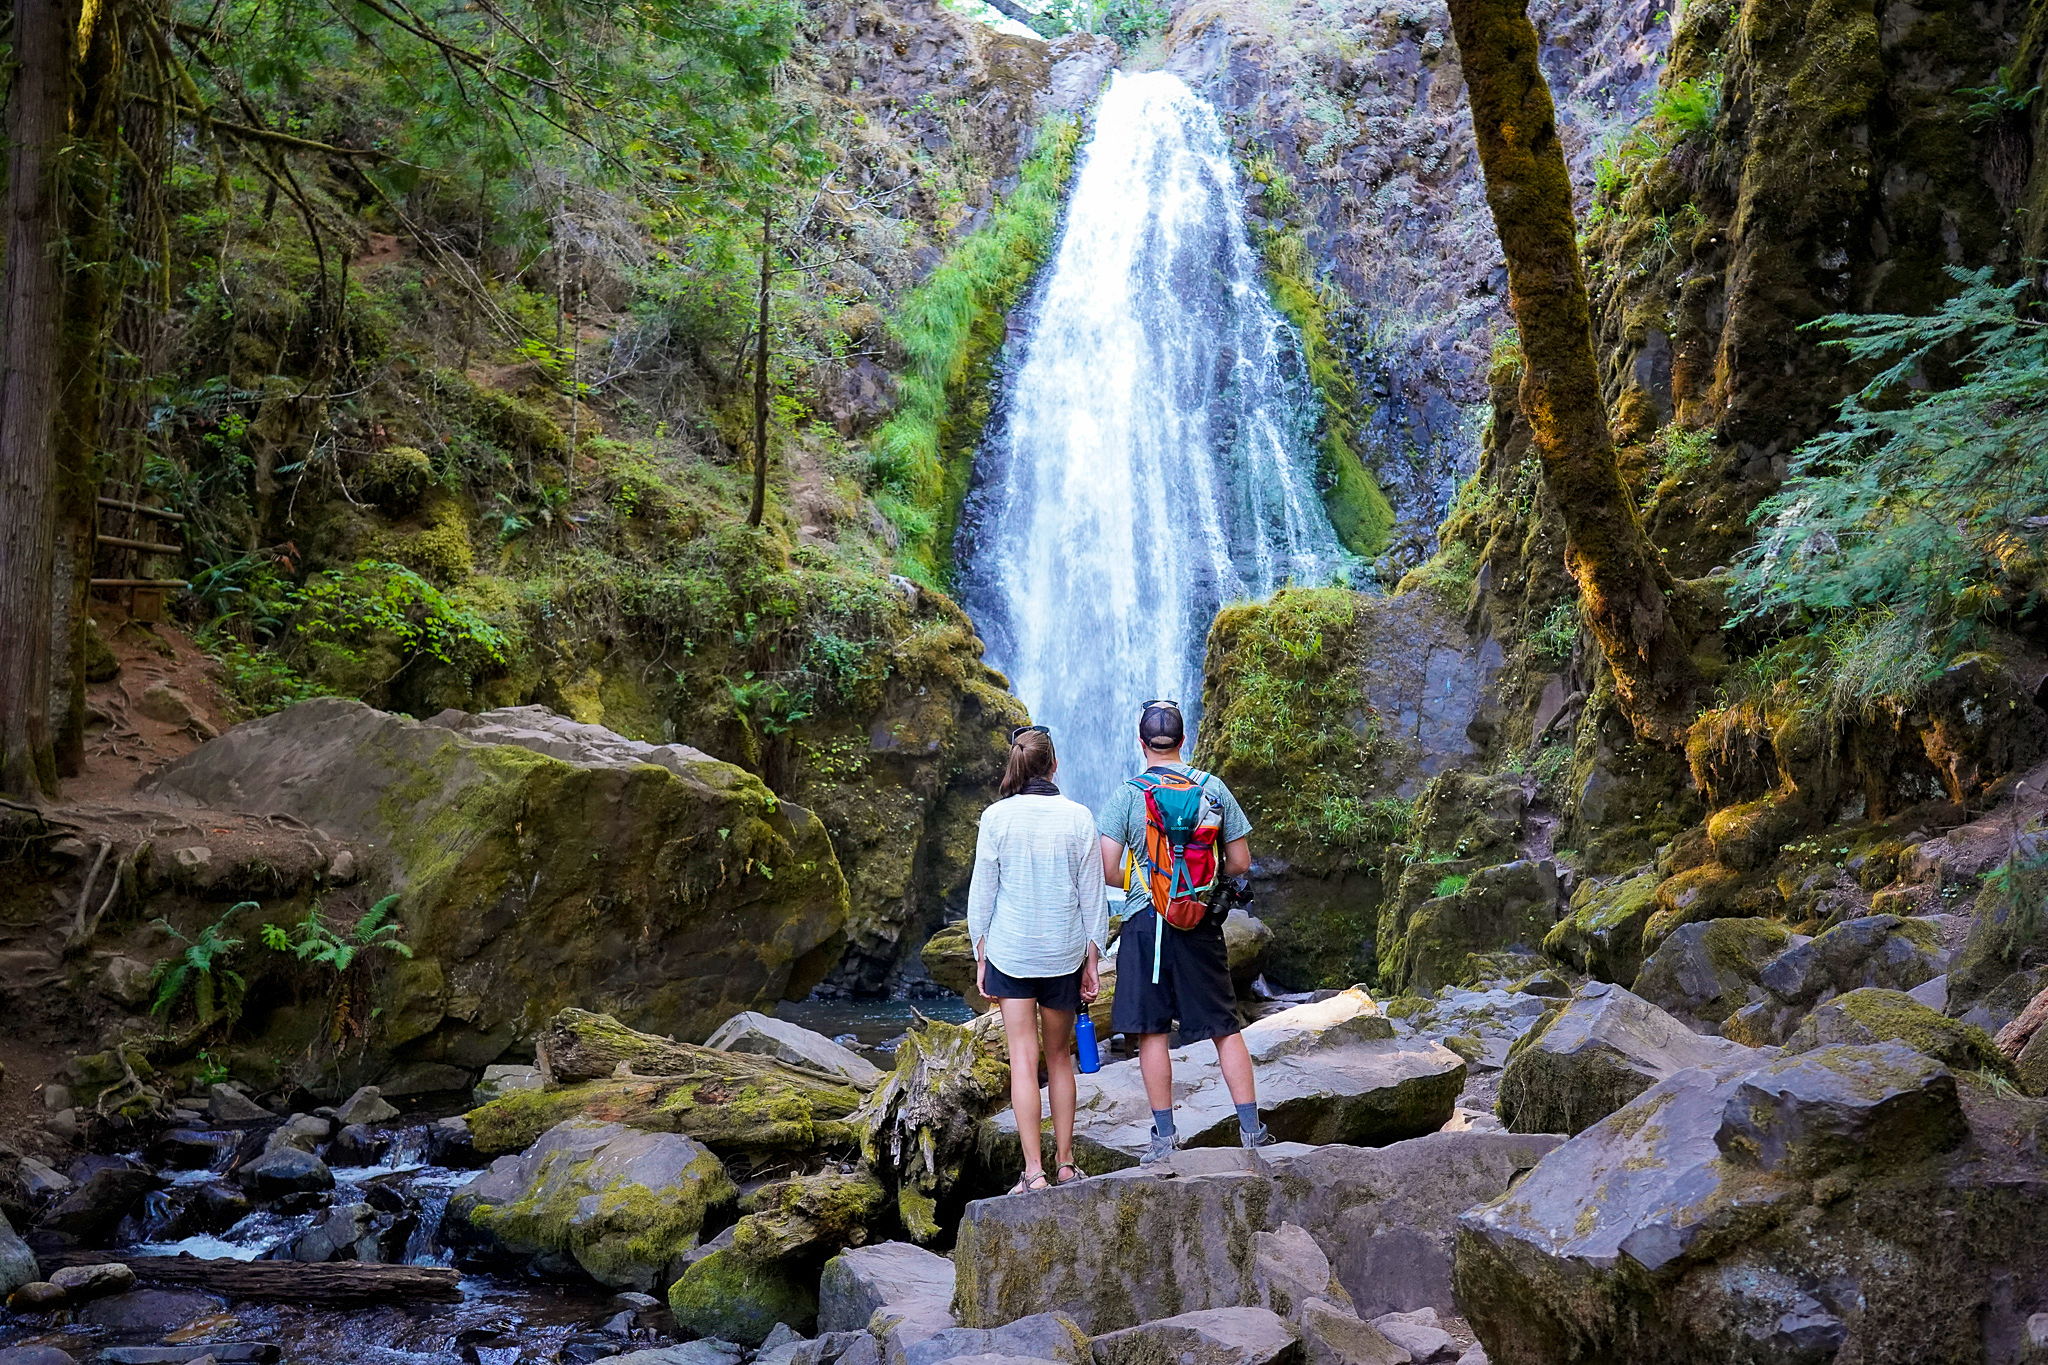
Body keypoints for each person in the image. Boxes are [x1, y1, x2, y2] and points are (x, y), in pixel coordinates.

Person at [1097, 699, 1268, 1160]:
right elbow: (1241, 862)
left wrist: (1144, 880)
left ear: (1141, 743)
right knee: (1224, 1026)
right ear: (1183, 739)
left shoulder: (1127, 795)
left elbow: (1107, 868)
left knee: (1152, 1032)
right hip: (1198, 919)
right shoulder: (1212, 788)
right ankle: (1252, 1131)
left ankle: (1164, 1139)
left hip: (1144, 921)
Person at [967, 723, 1109, 1193]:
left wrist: (980, 953)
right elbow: (1093, 896)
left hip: (1011, 951)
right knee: (1060, 1059)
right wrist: (1093, 957)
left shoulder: (996, 817)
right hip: (1063, 952)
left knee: (1023, 1063)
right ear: (1054, 765)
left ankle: (1033, 1173)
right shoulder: (1078, 817)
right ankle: (1066, 1163)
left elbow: (982, 893)